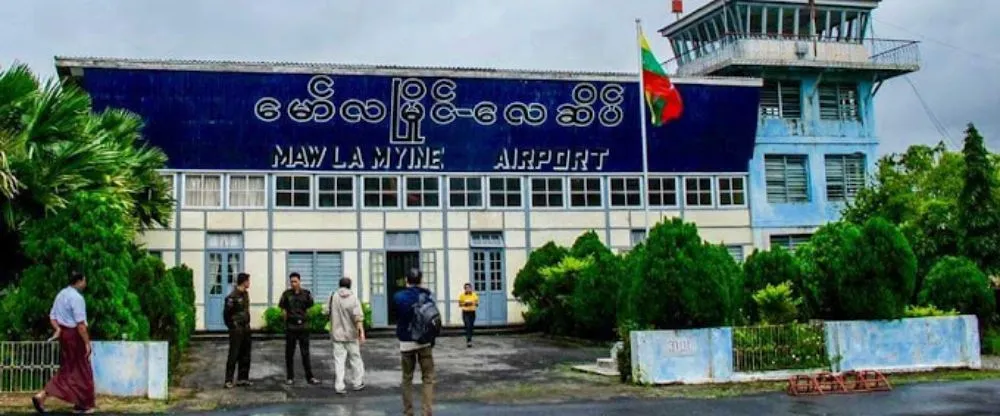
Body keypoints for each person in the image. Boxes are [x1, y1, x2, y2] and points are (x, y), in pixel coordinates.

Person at [32, 271, 95, 414]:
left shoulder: (61, 295)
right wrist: (87, 343)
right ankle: (84, 404)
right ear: (79, 281)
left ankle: (76, 402)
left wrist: (58, 329)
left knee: (71, 368)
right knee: (82, 369)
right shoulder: (77, 298)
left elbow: (52, 316)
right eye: (84, 281)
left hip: (65, 335)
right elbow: (80, 324)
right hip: (75, 336)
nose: (85, 284)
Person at [394, 267, 436, 416]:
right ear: (421, 280)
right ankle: (427, 411)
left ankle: (408, 411)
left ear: (406, 280)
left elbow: (395, 315)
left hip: (406, 341)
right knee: (428, 378)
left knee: (407, 378)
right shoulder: (427, 296)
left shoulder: (398, 297)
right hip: (424, 341)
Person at [327, 277, 366, 394]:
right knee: (355, 359)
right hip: (351, 334)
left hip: (336, 334)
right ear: (350, 285)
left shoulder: (333, 296)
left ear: (339, 285)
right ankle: (357, 382)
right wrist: (362, 332)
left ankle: (339, 386)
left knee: (339, 360)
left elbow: (325, 311)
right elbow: (358, 317)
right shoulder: (354, 298)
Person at [278, 272, 318, 385]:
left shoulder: (306, 294)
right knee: (289, 353)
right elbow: (283, 310)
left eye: (295, 281)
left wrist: (306, 320)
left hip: (303, 327)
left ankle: (310, 377)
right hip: (291, 327)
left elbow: (310, 308)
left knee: (305, 353)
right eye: (291, 282)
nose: (293, 284)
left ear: (300, 281)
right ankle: (290, 377)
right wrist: (285, 321)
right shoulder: (286, 294)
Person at [223, 272, 253, 388]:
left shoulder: (245, 294)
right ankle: (228, 380)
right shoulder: (232, 297)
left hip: (246, 328)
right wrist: (232, 326)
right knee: (234, 354)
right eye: (248, 281)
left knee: (246, 354)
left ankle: (243, 378)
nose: (249, 283)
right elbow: (226, 315)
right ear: (244, 282)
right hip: (237, 329)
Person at [458, 283, 479, 347]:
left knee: (471, 326)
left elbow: (477, 304)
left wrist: (472, 303)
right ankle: (468, 341)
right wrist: (465, 304)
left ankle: (469, 338)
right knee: (467, 325)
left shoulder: (474, 295)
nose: (468, 289)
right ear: (465, 289)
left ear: (471, 288)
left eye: (469, 288)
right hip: (465, 312)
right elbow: (460, 304)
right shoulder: (462, 295)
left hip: (472, 312)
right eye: (466, 288)